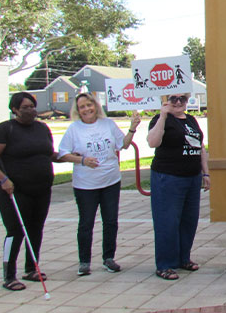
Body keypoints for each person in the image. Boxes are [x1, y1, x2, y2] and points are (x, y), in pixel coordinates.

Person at [57, 93, 141, 276]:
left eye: (89, 105)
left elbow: (123, 145)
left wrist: (133, 128)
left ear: (96, 106)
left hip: (110, 181)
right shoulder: (74, 129)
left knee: (111, 221)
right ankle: (84, 262)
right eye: (82, 107)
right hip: (85, 185)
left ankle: (109, 258)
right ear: (77, 111)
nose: (87, 109)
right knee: (86, 223)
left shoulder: (108, 124)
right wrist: (82, 160)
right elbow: (62, 154)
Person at [0, 92, 56, 291]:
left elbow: (49, 154)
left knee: (36, 228)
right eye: (25, 107)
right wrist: (2, 178)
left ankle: (32, 268)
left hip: (41, 188)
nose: (31, 110)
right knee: (15, 231)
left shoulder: (42, 128)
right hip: (13, 190)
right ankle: (9, 275)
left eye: (33, 106)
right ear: (14, 109)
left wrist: (77, 158)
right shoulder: (5, 130)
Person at [147, 92, 211, 280]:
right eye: (173, 99)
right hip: (167, 177)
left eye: (182, 98)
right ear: (166, 100)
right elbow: (153, 142)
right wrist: (163, 116)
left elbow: (200, 147)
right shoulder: (160, 119)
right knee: (167, 222)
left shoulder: (191, 120)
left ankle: (183, 258)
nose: (178, 102)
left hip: (191, 178)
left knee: (189, 220)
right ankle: (165, 264)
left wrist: (205, 172)